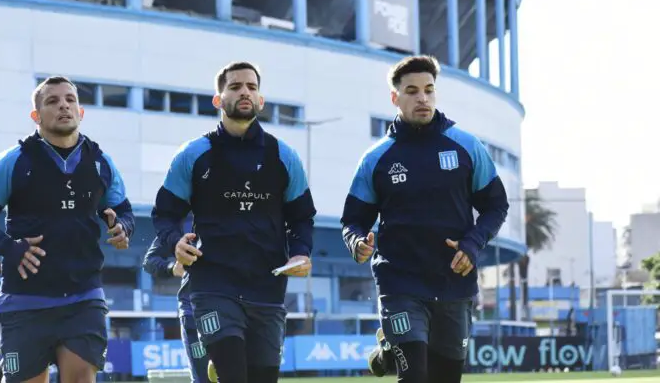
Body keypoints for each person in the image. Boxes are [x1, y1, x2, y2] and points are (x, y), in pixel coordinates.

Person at [340, 55, 509, 383]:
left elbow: (495, 207)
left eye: (429, 90)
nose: (423, 98)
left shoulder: (466, 147)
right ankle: (395, 344)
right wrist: (357, 243)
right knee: (414, 375)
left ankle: (388, 348)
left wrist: (472, 245)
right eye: (413, 91)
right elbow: (353, 221)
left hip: (453, 284)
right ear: (395, 98)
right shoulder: (376, 159)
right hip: (400, 283)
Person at [0, 76, 135, 383]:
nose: (63, 105)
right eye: (52, 101)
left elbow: (123, 210)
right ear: (36, 116)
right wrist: (9, 246)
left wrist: (122, 227)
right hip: (25, 301)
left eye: (70, 99)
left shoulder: (100, 163)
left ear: (80, 112)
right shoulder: (15, 160)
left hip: (84, 298)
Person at [151, 61, 316, 383]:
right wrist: (176, 243)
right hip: (212, 287)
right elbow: (164, 214)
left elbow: (302, 217)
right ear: (218, 99)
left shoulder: (285, 157)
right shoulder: (194, 154)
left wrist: (300, 252)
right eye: (236, 86)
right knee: (231, 375)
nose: (245, 92)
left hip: (267, 290)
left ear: (261, 100)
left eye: (252, 87)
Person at [142, 225, 210, 383]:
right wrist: (171, 268)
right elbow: (149, 262)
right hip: (193, 313)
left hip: (233, 309)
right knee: (203, 380)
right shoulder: (179, 224)